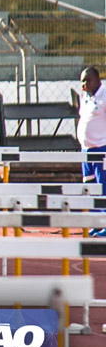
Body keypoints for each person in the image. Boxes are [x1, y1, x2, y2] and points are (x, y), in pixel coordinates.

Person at [77, 67, 106, 236]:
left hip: (102, 149)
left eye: (88, 80)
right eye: (82, 81)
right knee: (89, 186)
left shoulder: (104, 95)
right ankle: (96, 222)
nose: (85, 84)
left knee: (103, 187)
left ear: (97, 81)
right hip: (86, 150)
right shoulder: (85, 97)